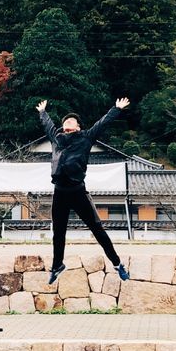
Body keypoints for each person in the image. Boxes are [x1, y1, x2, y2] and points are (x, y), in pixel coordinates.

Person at [38, 97, 132, 285]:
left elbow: (102, 123)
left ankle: (117, 263)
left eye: (72, 121)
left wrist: (116, 108)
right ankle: (57, 265)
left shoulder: (86, 137)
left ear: (78, 127)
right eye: (66, 121)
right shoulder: (56, 138)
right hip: (60, 191)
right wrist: (42, 112)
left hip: (77, 190)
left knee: (97, 229)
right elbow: (47, 125)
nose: (68, 122)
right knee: (58, 232)